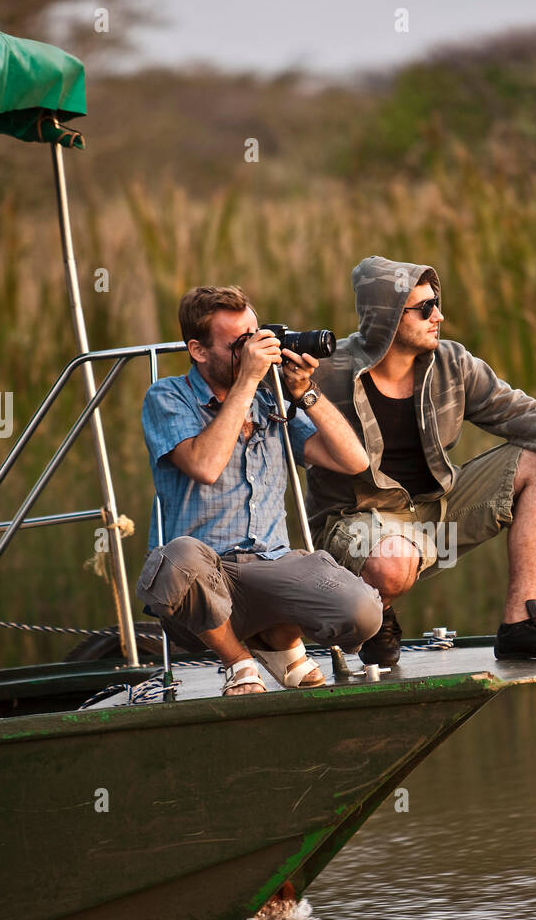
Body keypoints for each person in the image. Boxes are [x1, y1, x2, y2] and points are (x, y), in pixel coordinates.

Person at [306, 256, 536, 666]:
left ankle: (521, 626)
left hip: (435, 510)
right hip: (356, 521)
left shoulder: (452, 364)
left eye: (437, 303)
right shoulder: (323, 371)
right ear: (387, 318)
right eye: (425, 308)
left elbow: (525, 415)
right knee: (392, 560)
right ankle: (378, 616)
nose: (439, 316)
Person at [137, 285, 383, 695]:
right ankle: (240, 662)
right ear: (198, 350)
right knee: (178, 555)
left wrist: (306, 393)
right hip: (200, 579)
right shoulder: (167, 396)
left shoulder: (269, 399)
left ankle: (276, 639)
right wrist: (248, 380)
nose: (253, 351)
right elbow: (205, 466)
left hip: (270, 564)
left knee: (363, 613)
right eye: (239, 344)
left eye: (255, 337)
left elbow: (354, 462)